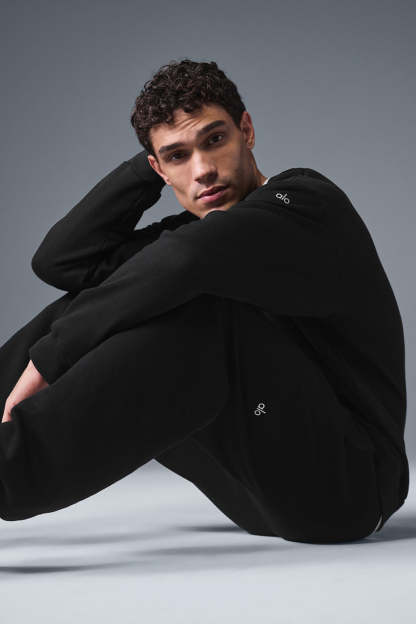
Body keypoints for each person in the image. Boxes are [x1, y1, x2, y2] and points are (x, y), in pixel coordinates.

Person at [0, 59, 409, 543]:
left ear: (246, 131)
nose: (203, 170)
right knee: (114, 294)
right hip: (254, 493)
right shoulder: (196, 231)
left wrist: (50, 358)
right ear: (158, 168)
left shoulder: (307, 203)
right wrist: (148, 166)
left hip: (349, 487)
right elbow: (63, 261)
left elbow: (188, 259)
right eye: (177, 156)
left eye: (215, 140)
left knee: (196, 302)